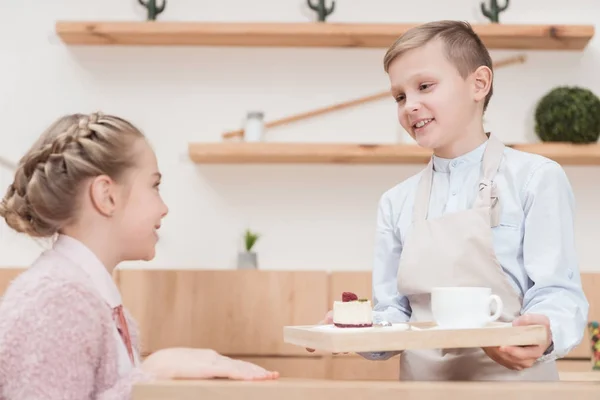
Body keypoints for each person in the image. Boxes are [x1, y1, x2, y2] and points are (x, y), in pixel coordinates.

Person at [310, 20, 589, 381]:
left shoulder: (536, 178)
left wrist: (543, 332)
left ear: (479, 84)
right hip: (421, 388)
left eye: (425, 86)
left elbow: (558, 293)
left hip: (516, 387)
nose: (410, 105)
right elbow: (395, 313)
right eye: (400, 96)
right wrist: (355, 328)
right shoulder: (396, 201)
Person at [0, 112, 279, 399]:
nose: (164, 208)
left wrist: (154, 373)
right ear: (107, 196)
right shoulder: (54, 301)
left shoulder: (86, 299)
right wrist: (152, 375)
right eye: (154, 185)